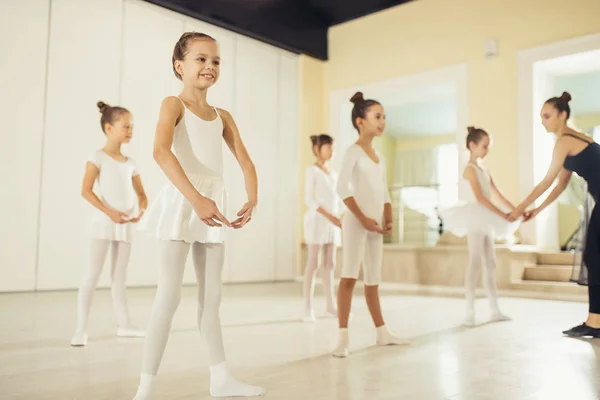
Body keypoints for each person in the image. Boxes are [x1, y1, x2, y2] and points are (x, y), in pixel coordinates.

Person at [133, 32, 264, 398]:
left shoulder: (223, 116)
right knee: (169, 295)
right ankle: (145, 387)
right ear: (180, 66)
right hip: (182, 202)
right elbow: (161, 152)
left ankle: (221, 379)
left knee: (212, 298)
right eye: (200, 59)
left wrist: (252, 199)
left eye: (216, 61)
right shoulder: (172, 104)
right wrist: (195, 199)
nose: (209, 66)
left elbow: (246, 161)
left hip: (213, 207)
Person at [508, 91, 600, 338]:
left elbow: (546, 181)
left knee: (592, 255)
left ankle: (595, 323)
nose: (543, 121)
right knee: (593, 256)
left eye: (547, 116)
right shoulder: (573, 139)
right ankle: (595, 322)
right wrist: (535, 210)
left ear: (562, 115)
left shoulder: (565, 141)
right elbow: (559, 185)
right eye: (541, 117)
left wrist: (519, 208)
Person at [333, 92, 408, 358]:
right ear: (360, 121)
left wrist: (388, 218)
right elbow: (341, 188)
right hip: (356, 223)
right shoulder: (352, 152)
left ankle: (382, 332)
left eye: (384, 117)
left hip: (375, 227)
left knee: (373, 279)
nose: (382, 121)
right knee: (349, 276)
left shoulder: (380, 157)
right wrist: (363, 218)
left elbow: (384, 192)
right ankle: (342, 338)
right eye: (377, 116)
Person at [71, 101, 147, 347]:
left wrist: (140, 210)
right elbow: (85, 190)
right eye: (126, 126)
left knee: (119, 277)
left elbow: (142, 195)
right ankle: (81, 330)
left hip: (124, 224)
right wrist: (109, 212)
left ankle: (125, 325)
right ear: (109, 128)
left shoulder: (131, 162)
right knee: (92, 275)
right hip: (104, 223)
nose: (130, 131)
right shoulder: (97, 157)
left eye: (132, 127)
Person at [439, 126, 516, 326]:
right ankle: (469, 313)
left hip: (485, 217)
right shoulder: (470, 169)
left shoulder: (484, 169)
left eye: (488, 146)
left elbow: (496, 193)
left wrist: (515, 210)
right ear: (472, 145)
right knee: (474, 261)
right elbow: (480, 198)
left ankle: (494, 309)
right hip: (476, 216)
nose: (487, 150)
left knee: (491, 263)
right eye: (484, 146)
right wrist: (502, 214)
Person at [302, 134, 342, 322]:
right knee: (313, 264)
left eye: (333, 148)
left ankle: (330, 306)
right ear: (318, 149)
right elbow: (309, 199)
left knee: (330, 264)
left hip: (332, 224)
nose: (331, 151)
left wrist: (338, 217)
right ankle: (307, 309)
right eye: (328, 148)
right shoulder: (312, 171)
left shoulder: (333, 174)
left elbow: (336, 199)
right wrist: (330, 216)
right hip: (317, 221)